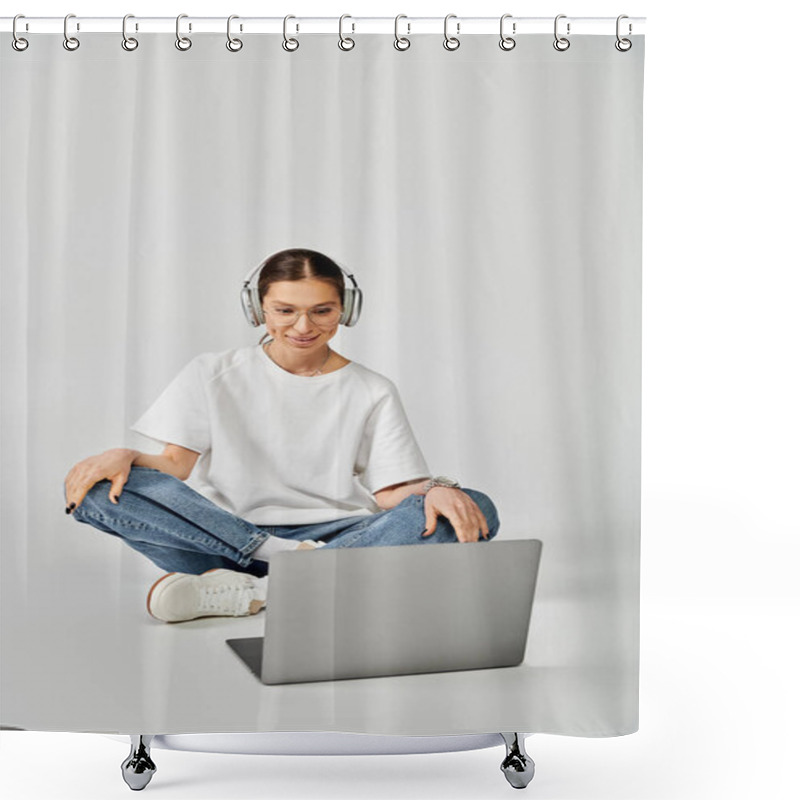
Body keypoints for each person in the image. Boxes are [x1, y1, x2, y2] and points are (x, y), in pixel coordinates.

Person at [63, 248, 500, 623]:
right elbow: (175, 468)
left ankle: (258, 594)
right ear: (259, 309)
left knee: (476, 507)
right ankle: (302, 573)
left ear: (345, 310)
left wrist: (440, 489)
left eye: (322, 311)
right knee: (99, 490)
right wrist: (123, 456)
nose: (303, 326)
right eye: (285, 310)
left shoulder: (372, 389)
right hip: (221, 537)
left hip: (340, 536)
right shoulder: (213, 373)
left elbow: (392, 493)